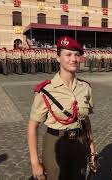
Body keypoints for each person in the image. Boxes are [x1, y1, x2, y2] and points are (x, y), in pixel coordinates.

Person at [27, 36, 97, 180]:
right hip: (54, 143)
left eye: (77, 55)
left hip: (79, 142)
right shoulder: (46, 90)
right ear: (58, 58)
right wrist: (35, 163)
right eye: (68, 54)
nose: (73, 59)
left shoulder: (85, 88)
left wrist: (91, 148)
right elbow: (32, 127)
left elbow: (85, 121)